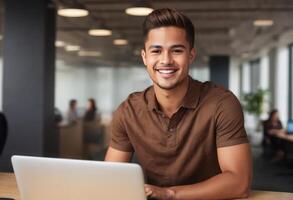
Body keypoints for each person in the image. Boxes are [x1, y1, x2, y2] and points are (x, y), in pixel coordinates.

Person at [105, 8, 252, 200]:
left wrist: (169, 194)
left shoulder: (222, 104)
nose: (166, 60)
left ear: (191, 55)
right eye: (156, 51)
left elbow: (239, 183)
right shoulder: (128, 110)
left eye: (176, 50)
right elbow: (109, 178)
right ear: (144, 57)